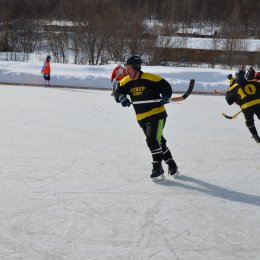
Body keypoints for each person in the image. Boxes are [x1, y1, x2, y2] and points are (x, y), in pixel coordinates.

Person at [114, 55, 179, 181]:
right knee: (159, 141)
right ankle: (172, 164)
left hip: (157, 114)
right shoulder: (126, 81)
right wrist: (121, 98)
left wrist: (165, 96)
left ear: (136, 69)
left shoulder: (150, 78)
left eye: (129, 69)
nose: (127, 71)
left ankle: (157, 167)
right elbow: (117, 91)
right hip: (141, 117)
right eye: (126, 69)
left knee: (152, 139)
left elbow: (166, 87)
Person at [226, 69, 260, 143]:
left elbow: (229, 101)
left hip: (246, 106)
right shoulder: (253, 82)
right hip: (258, 104)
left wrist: (229, 90)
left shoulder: (235, 86)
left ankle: (256, 137)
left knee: (250, 122)